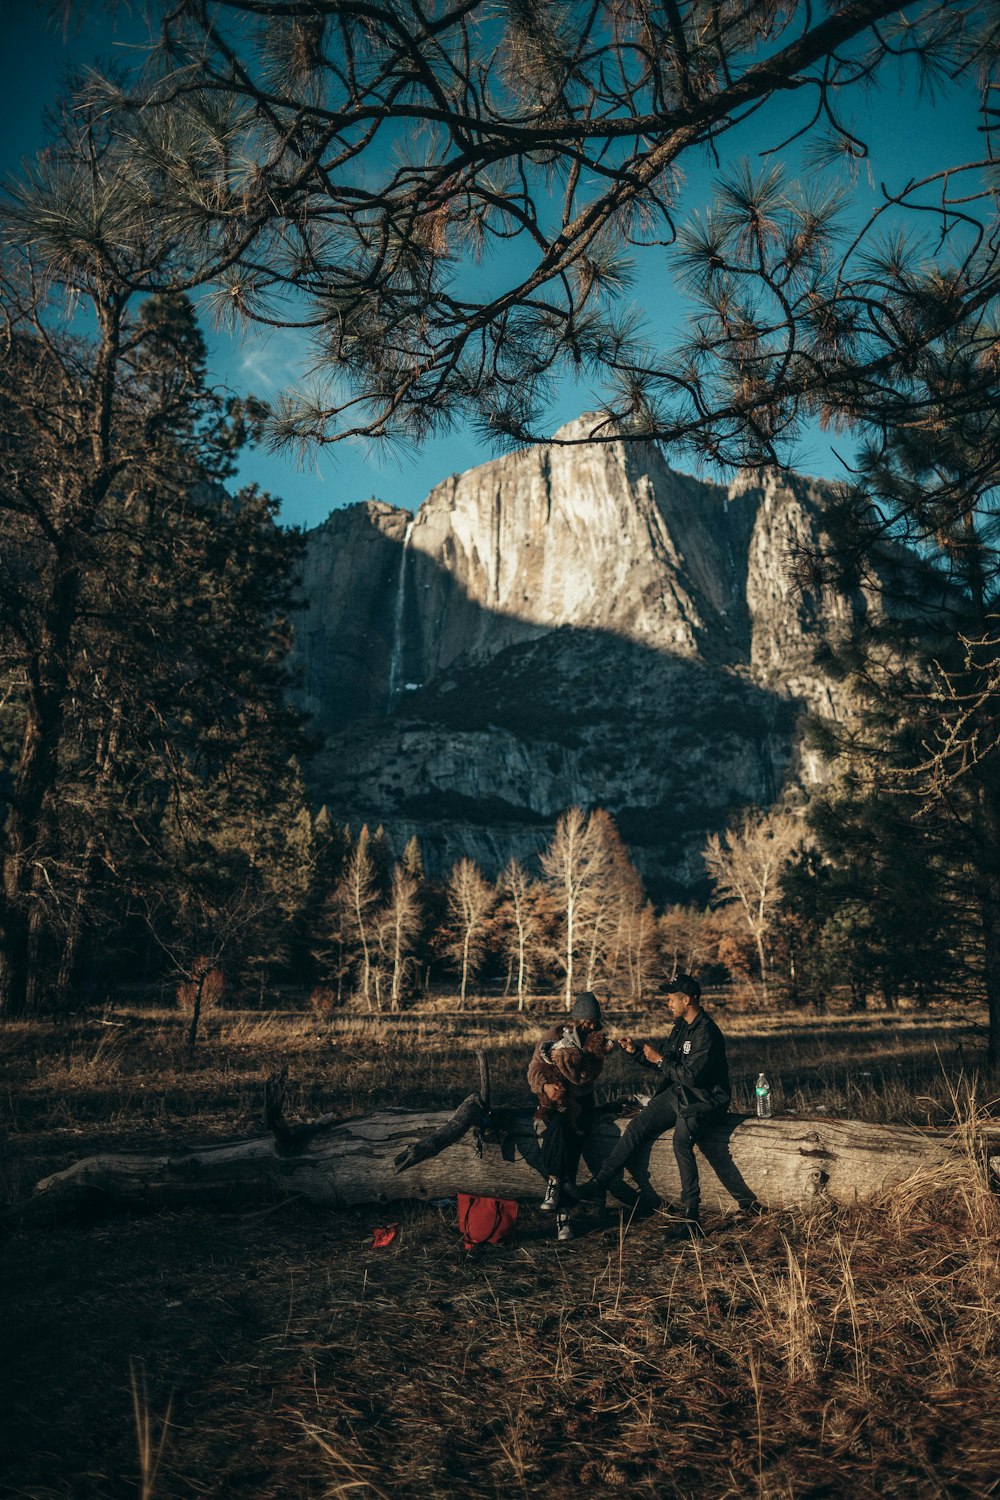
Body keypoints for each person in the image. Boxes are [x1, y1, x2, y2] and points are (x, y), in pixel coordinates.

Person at [577, 974, 733, 1239]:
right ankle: (599, 1183)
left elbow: (691, 1075)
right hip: (679, 1092)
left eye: (672, 998)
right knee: (638, 1125)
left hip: (704, 1100)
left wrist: (660, 1060)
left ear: (687, 999)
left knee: (681, 1142)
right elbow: (668, 1064)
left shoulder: (706, 1032)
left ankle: (690, 1217)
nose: (668, 1003)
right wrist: (636, 1052)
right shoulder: (681, 1026)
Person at [527, 990, 614, 1242]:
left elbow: (585, 1078)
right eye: (586, 1020)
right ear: (576, 1018)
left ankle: (554, 1185)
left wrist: (569, 1064)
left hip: (581, 1103)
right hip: (552, 1100)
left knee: (564, 1133)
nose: (590, 1025)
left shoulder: (596, 1044)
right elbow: (534, 1068)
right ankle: (563, 1217)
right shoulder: (553, 1035)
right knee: (566, 1143)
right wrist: (545, 1087)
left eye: (593, 1021)